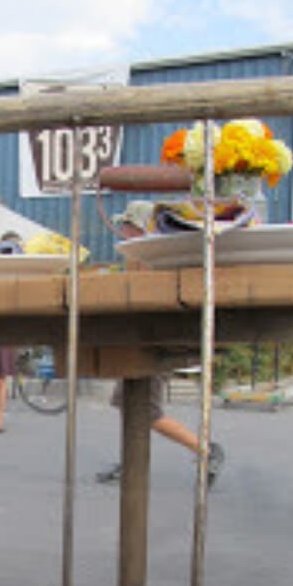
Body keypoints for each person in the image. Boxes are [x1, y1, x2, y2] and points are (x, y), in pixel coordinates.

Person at [96, 201, 225, 487]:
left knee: (146, 409)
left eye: (127, 226)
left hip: (155, 343)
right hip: (144, 340)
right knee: (127, 402)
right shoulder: (141, 257)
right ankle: (131, 458)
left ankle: (205, 449)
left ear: (140, 228)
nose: (122, 230)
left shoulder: (152, 259)